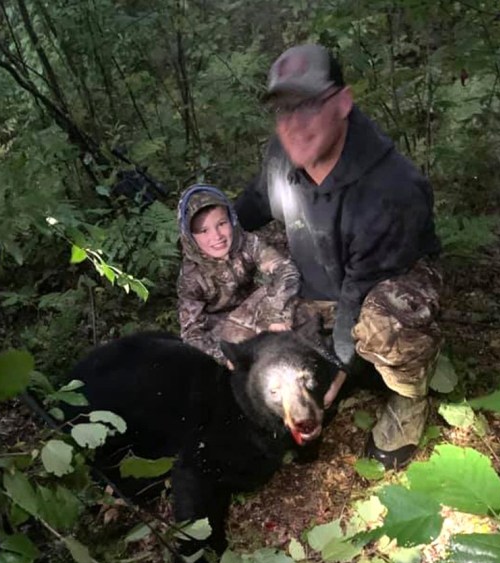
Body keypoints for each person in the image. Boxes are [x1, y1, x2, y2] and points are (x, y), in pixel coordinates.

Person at [234, 43, 443, 469]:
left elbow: (359, 291)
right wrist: (215, 228)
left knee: (386, 323)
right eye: (283, 110)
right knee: (240, 324)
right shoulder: (282, 155)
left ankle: (408, 397)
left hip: (386, 284)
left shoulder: (391, 188)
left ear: (343, 102)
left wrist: (336, 367)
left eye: (308, 105)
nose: (293, 124)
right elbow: (255, 202)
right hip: (320, 283)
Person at [176, 184, 301, 365]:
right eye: (204, 231)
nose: (217, 236)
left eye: (221, 223)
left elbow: (285, 270)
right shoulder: (191, 276)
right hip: (226, 333)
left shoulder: (247, 243)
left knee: (303, 312)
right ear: (189, 236)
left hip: (258, 310)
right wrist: (224, 357)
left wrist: (276, 314)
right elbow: (191, 333)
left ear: (232, 219)